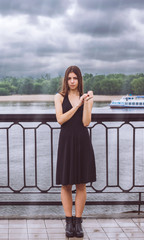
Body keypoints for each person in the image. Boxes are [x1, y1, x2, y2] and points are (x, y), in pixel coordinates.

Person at [54, 66, 96, 238]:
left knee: (81, 183)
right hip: (66, 141)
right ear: (66, 80)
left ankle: (78, 222)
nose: (72, 81)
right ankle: (68, 222)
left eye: (75, 78)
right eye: (69, 78)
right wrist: (77, 105)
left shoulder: (87, 98)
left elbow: (86, 122)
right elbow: (60, 119)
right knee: (65, 183)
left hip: (82, 140)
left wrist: (85, 103)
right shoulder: (59, 97)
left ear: (79, 80)